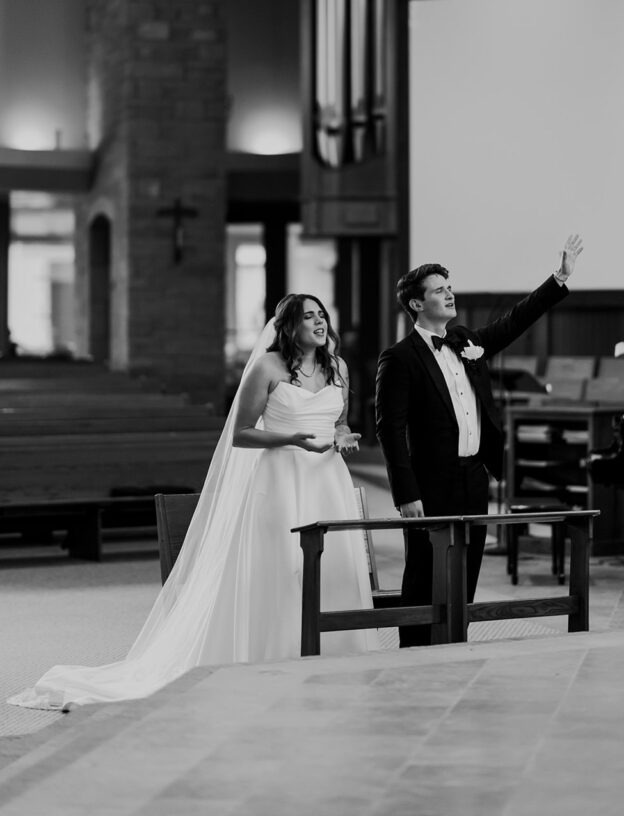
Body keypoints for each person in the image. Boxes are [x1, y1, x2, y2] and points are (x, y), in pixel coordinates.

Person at [9, 294, 377, 711]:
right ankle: (278, 659)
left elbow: (339, 421)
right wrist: (290, 439)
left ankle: (333, 660)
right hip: (281, 477)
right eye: (309, 316)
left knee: (332, 568)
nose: (320, 321)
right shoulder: (267, 367)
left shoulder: (338, 367)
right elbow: (241, 433)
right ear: (289, 326)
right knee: (281, 566)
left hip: (326, 479)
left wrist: (342, 435)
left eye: (322, 314)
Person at [375, 235, 583, 648]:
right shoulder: (399, 357)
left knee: (467, 569)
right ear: (416, 303)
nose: (449, 294)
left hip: (473, 476)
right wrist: (406, 493)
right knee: (424, 571)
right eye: (439, 290)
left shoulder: (466, 341)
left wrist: (558, 278)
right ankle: (413, 652)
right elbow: (389, 428)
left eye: (449, 287)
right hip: (429, 483)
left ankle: (454, 645)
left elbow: (514, 321)